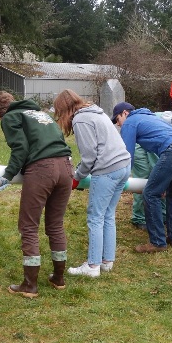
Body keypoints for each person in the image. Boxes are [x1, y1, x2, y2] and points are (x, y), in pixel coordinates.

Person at [0, 91, 73, 298]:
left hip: (42, 169)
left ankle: (30, 284)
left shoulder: (11, 117)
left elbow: (20, 147)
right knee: (55, 224)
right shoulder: (42, 114)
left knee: (28, 226)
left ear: (0, 113)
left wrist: (8, 175)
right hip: (66, 167)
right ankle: (58, 278)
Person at [53, 89, 131, 277]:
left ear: (64, 109)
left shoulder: (81, 120)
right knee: (108, 214)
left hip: (107, 170)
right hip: (124, 166)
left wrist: (76, 177)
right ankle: (107, 261)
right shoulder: (96, 111)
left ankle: (93, 266)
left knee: (95, 217)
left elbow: (89, 157)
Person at [112, 102, 172, 252]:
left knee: (150, 194)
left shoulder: (130, 122)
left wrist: (120, 176)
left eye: (117, 119)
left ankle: (157, 242)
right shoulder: (151, 118)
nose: (118, 124)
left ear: (124, 113)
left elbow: (127, 154)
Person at [131, 112, 172, 230]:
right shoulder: (167, 127)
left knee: (164, 185)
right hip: (141, 146)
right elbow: (156, 159)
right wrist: (162, 180)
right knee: (147, 180)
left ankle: (163, 215)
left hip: (164, 149)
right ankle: (139, 217)